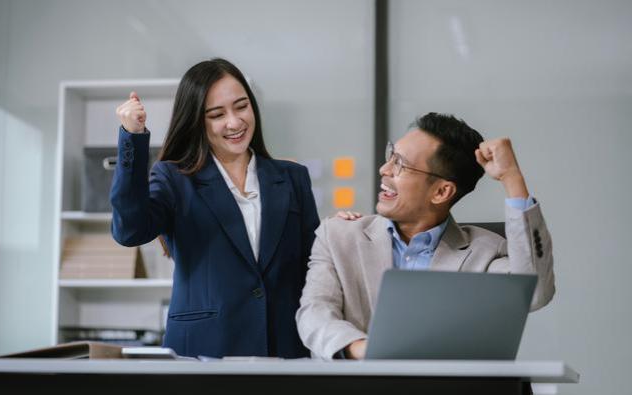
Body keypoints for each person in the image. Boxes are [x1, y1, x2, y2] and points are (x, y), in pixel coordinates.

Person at [296, 112, 555, 360]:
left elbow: (535, 293)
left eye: (400, 164)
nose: (384, 169)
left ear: (442, 192)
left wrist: (512, 179)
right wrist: (363, 349)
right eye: (391, 155)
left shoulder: (486, 252)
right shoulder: (339, 236)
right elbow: (314, 313)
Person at [111, 58, 320, 358]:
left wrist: (338, 233)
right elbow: (128, 230)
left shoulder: (292, 177)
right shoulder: (174, 178)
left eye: (242, 106)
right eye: (216, 114)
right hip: (204, 351)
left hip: (283, 349)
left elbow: (312, 266)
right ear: (197, 120)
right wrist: (132, 138)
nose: (234, 122)